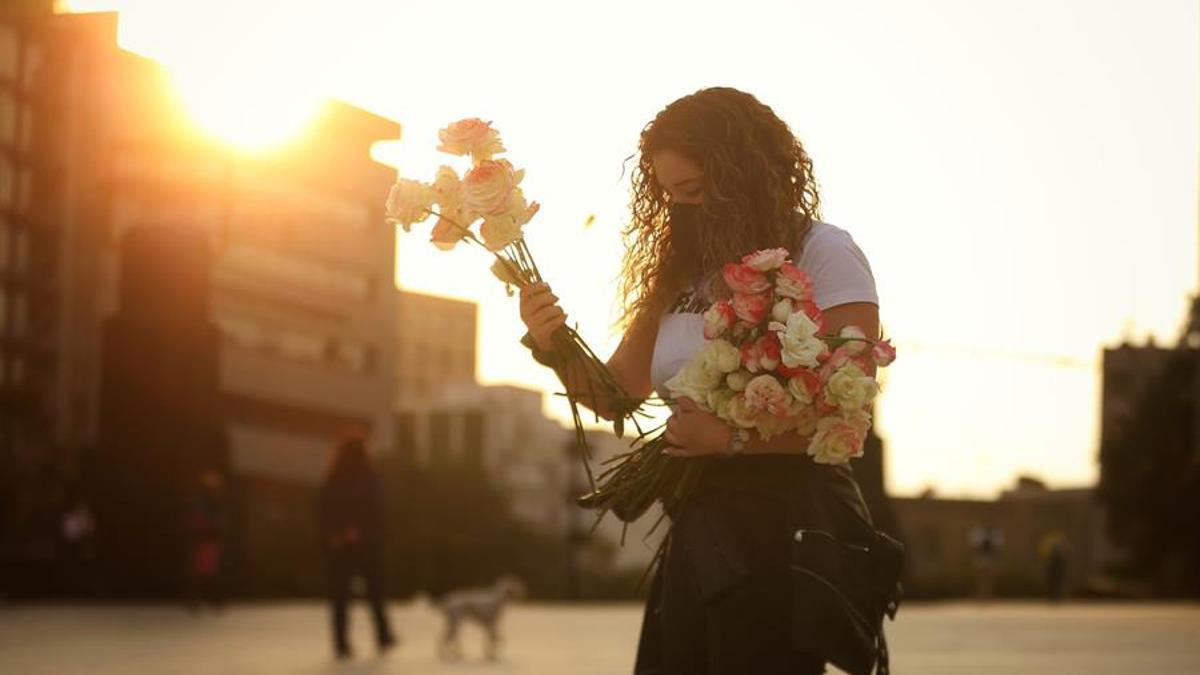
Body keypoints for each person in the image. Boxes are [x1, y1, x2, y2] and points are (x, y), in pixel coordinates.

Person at [520, 87, 882, 675]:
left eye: (694, 190)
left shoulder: (823, 251)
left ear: (744, 171)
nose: (685, 209)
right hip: (698, 525)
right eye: (671, 196)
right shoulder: (680, 272)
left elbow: (849, 411)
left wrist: (735, 439)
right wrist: (552, 343)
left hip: (777, 530)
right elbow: (615, 394)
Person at [319, 431, 396, 660]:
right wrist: (356, 530)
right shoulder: (368, 478)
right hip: (364, 543)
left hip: (342, 544)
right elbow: (376, 509)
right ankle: (382, 636)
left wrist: (337, 532)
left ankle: (342, 643)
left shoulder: (333, 478)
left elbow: (324, 510)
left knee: (341, 594)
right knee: (374, 592)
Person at [184, 469, 227, 611]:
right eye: (210, 479)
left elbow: (218, 518)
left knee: (210, 570)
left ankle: (212, 600)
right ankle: (196, 600)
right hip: (202, 537)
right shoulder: (202, 498)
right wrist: (203, 530)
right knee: (201, 570)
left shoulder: (216, 497)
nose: (213, 481)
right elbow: (199, 517)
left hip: (211, 537)